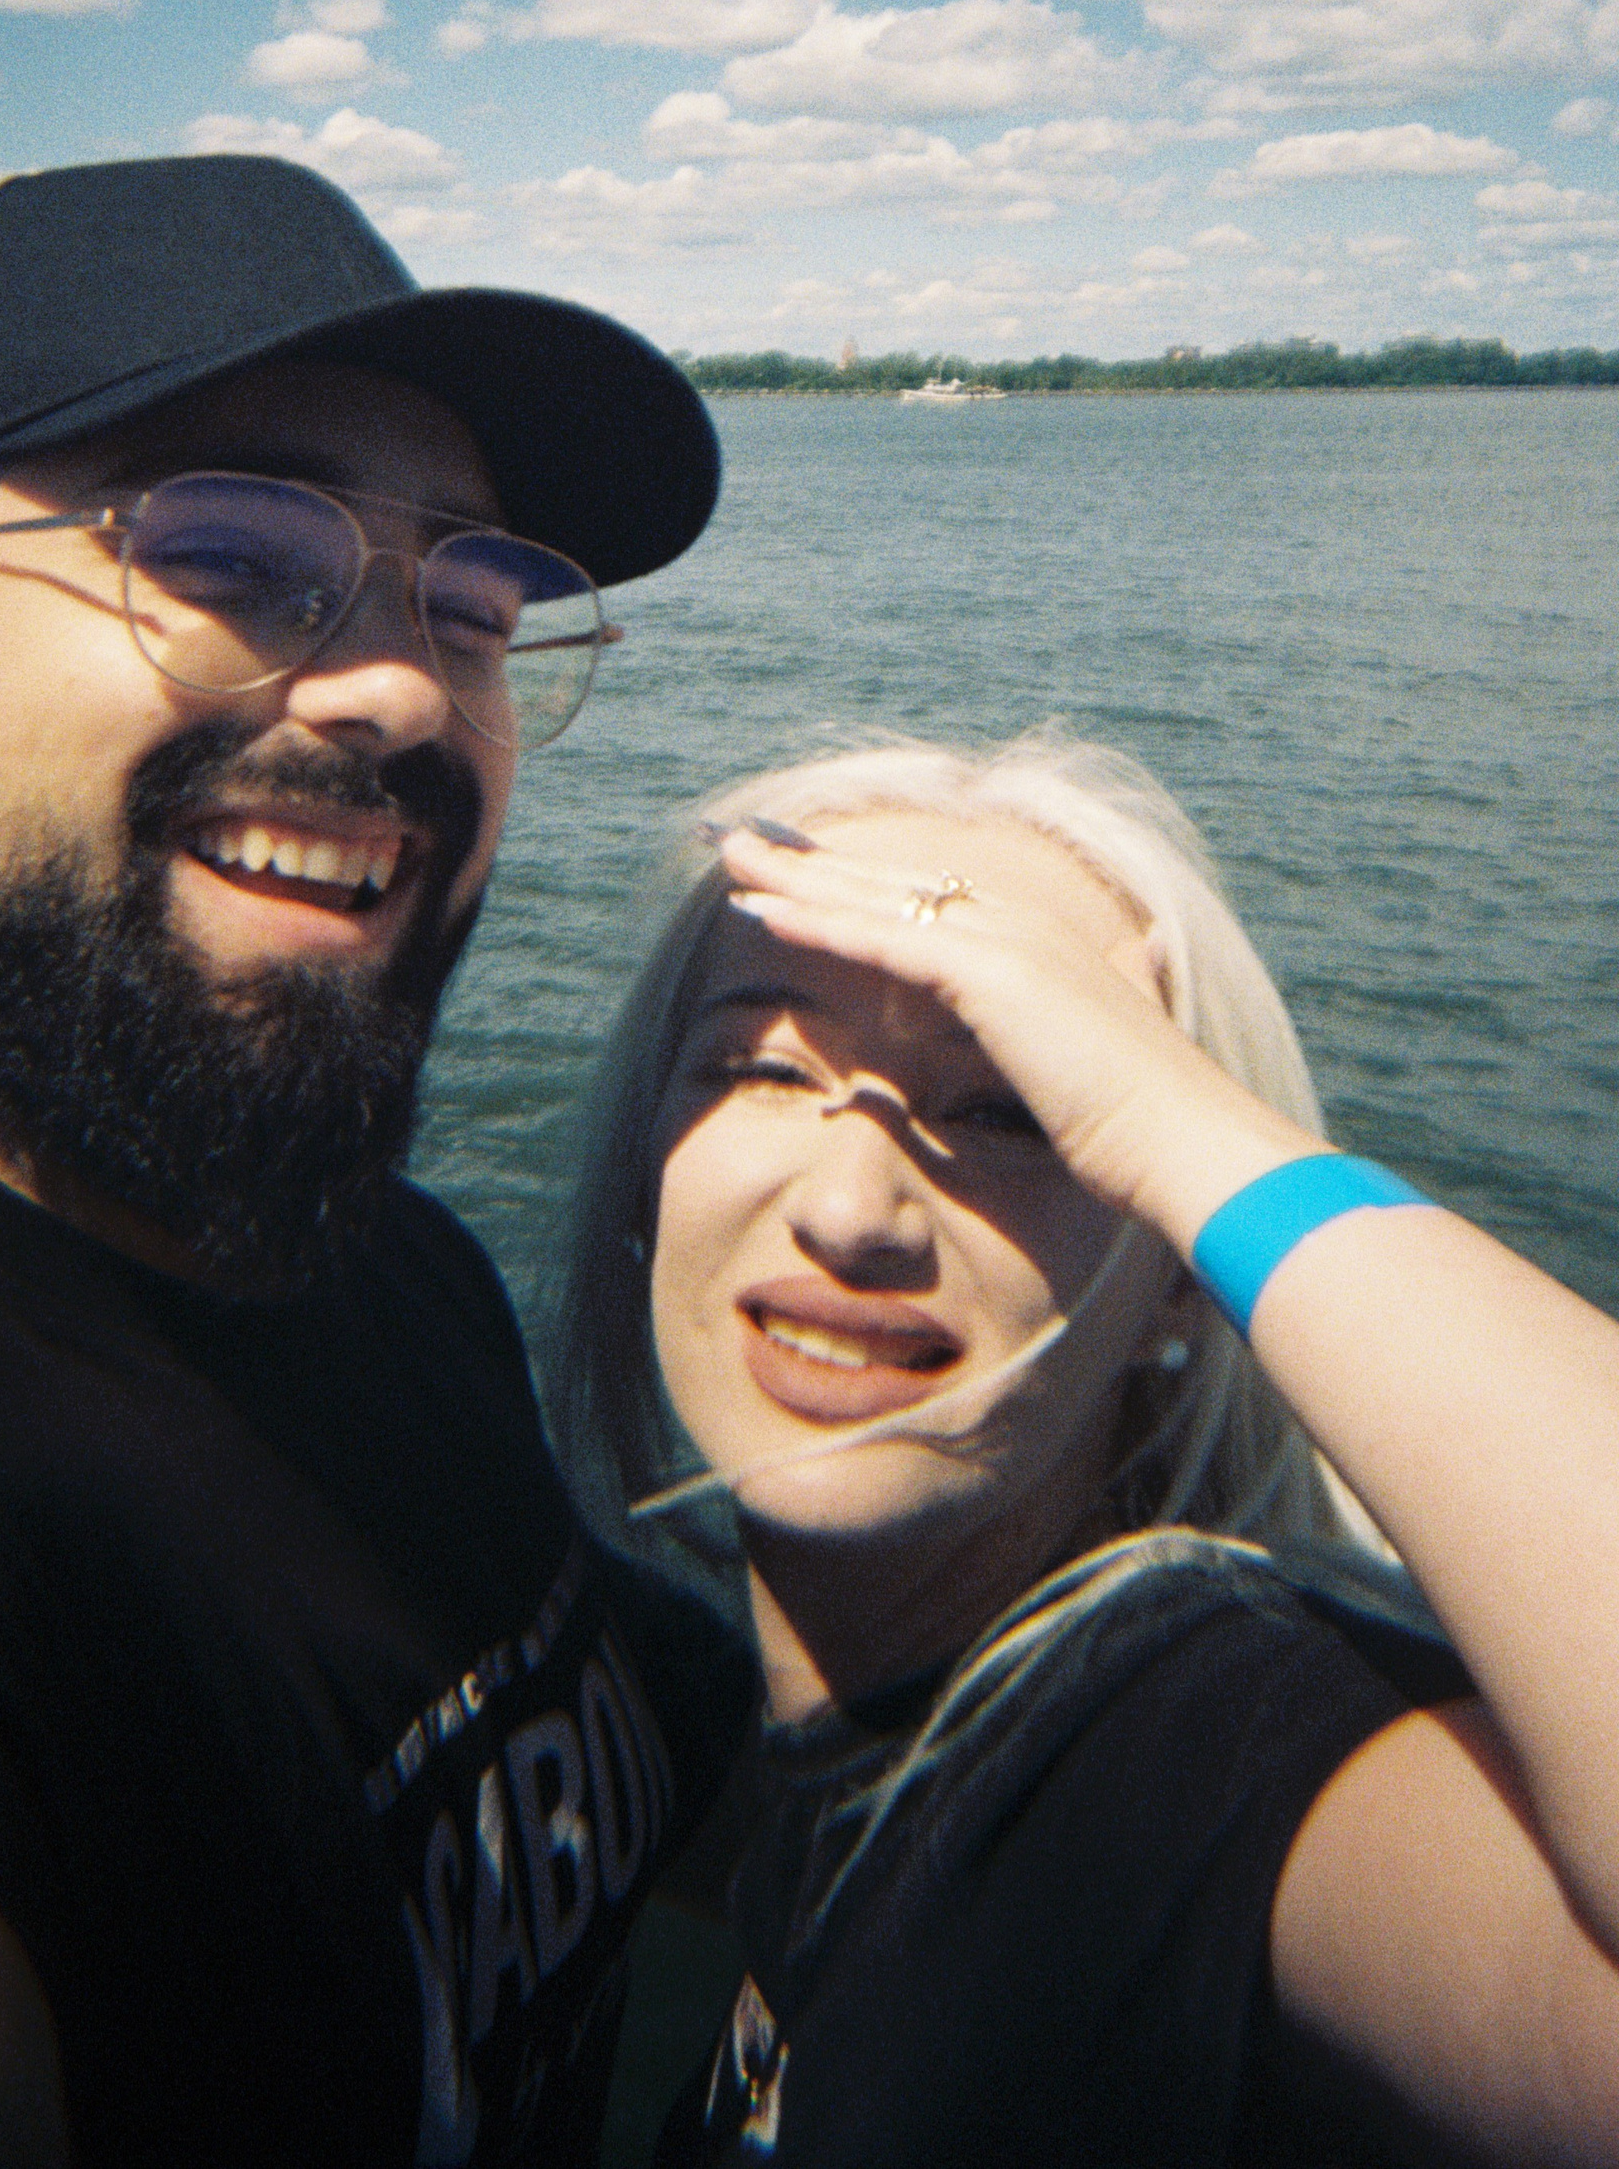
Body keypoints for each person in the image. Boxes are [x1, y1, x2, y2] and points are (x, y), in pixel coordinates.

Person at [0, 154, 754, 2169]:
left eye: (473, 606)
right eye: (231, 554)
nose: (406, 684)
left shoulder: (381, 1269)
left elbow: (713, 1783)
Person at [554, 732, 1619, 2166]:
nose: (852, 1212)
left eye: (1013, 1105)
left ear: (1176, 1274)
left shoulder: (1184, 1749)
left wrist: (1181, 1128)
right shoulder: (816, 1747)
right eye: (761, 1067)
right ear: (645, 1164)